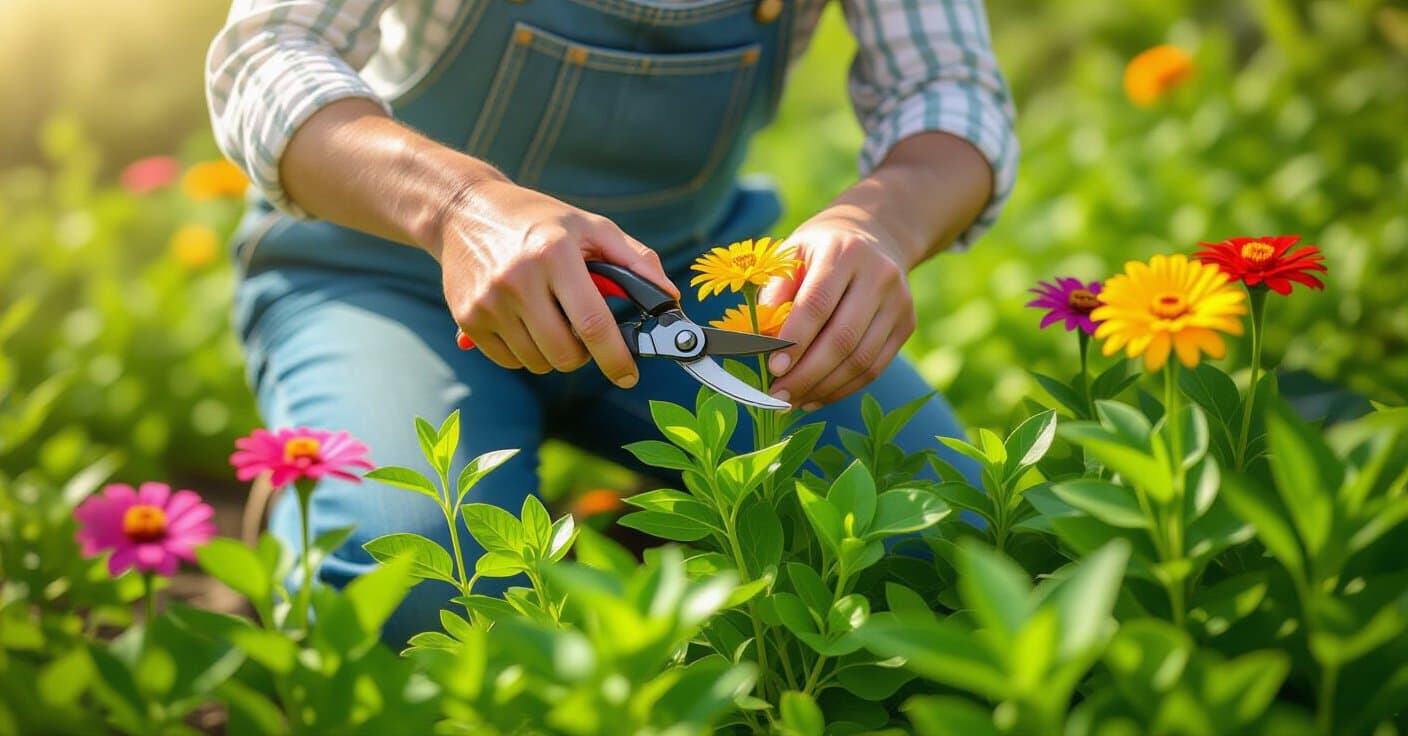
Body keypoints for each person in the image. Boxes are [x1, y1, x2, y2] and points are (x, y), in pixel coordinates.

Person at [206, 0, 1017, 644]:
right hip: (389, 277)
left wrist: (882, 224)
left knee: (950, 534)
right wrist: (460, 208)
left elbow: (947, 91)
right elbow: (267, 54)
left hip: (671, 284)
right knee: (427, 590)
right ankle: (310, 512)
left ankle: (675, 552)